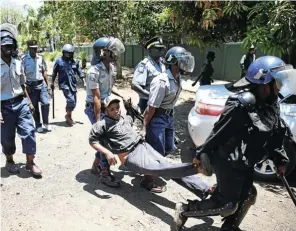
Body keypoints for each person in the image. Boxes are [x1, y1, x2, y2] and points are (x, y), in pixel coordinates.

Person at [173, 56, 296, 231]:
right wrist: (203, 154)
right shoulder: (241, 104)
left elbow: (276, 131)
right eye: (277, 82)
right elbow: (218, 132)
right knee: (226, 204)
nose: (280, 87)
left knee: (248, 195)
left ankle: (229, 228)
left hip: (247, 161)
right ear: (263, 85)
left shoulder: (271, 102)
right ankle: (184, 210)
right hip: (228, 161)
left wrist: (280, 160)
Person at [89, 96, 213, 196]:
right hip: (131, 156)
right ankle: (197, 168)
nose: (116, 111)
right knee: (164, 167)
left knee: (168, 166)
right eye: (112, 109)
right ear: (106, 111)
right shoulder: (102, 124)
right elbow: (92, 140)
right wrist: (107, 152)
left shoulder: (122, 118)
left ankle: (205, 188)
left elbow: (130, 117)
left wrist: (128, 107)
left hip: (143, 146)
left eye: (117, 107)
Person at [142, 46, 195, 192]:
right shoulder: (162, 81)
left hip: (169, 116)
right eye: (182, 61)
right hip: (157, 118)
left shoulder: (178, 78)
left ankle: (153, 169)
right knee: (156, 151)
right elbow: (151, 107)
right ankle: (148, 180)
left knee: (169, 147)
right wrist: (144, 127)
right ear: (173, 62)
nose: (185, 64)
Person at [0, 23, 42, 176]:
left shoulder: (18, 62)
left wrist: (29, 102)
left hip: (20, 102)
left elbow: (23, 85)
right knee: (7, 137)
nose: (8, 48)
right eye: (4, 45)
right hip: (3, 107)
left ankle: (30, 163)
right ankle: (9, 160)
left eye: (10, 45)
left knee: (29, 131)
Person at [85, 36, 126, 187]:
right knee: (104, 139)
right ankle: (104, 174)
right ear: (103, 53)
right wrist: (98, 122)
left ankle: (96, 166)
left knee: (105, 139)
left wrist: (121, 95)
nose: (115, 54)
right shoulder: (93, 72)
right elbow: (96, 97)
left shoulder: (111, 68)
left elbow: (109, 88)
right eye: (112, 51)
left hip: (107, 106)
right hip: (95, 107)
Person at [51, 44, 85, 126]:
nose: (68, 55)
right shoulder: (59, 61)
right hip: (64, 84)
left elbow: (79, 71)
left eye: (70, 53)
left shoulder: (74, 62)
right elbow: (54, 72)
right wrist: (52, 82)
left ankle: (69, 116)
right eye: (66, 53)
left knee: (74, 102)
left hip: (72, 84)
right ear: (63, 53)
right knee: (71, 100)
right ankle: (68, 116)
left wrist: (83, 79)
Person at [132, 36, 166, 113]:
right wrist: (151, 96)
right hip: (147, 103)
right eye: (158, 48)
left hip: (161, 103)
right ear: (150, 50)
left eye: (161, 48)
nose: (161, 50)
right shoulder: (144, 65)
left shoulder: (162, 64)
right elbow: (134, 85)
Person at [23, 40, 51, 133]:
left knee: (46, 103)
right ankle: (38, 124)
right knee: (34, 107)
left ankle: (46, 123)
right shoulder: (24, 59)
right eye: (33, 48)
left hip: (41, 84)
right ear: (29, 48)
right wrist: (25, 86)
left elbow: (44, 71)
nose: (35, 50)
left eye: (36, 48)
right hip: (31, 86)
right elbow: (22, 74)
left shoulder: (40, 58)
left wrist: (48, 85)